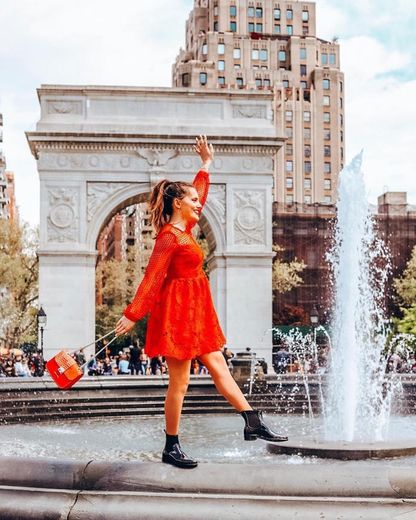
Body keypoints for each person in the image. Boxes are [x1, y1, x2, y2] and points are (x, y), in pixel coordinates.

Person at [116, 136, 287, 469]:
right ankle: (171, 446)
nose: (198, 203)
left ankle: (252, 420)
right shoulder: (169, 236)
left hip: (196, 311)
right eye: (191, 200)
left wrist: (206, 165)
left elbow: (200, 190)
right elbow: (151, 278)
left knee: (219, 367)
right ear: (178, 203)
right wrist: (132, 315)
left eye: (196, 199)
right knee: (179, 383)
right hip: (179, 314)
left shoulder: (187, 227)